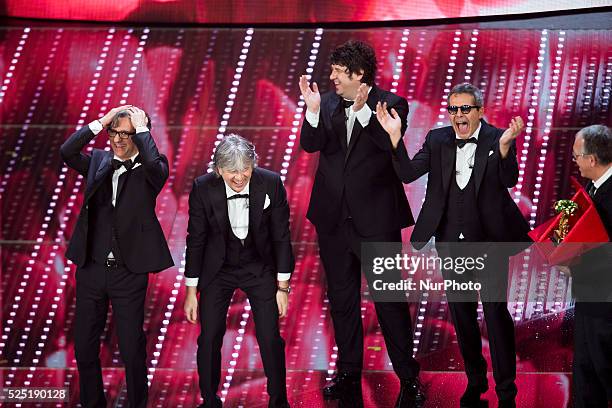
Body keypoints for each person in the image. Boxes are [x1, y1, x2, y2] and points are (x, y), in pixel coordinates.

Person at [376, 83, 531, 408]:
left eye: (465, 109)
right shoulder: (438, 139)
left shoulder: (497, 137)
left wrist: (504, 149)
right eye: (454, 109)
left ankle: (506, 391)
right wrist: (394, 138)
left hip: (489, 244)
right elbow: (407, 173)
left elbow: (509, 180)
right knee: (462, 315)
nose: (459, 115)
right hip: (450, 244)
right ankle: (475, 381)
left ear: (479, 111)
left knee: (494, 313)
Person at [299, 40, 424, 407]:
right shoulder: (329, 104)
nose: (333, 77)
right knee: (342, 301)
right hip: (333, 222)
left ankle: (408, 377)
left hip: (376, 223)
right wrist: (312, 111)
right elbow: (311, 144)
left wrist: (366, 114)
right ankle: (349, 373)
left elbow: (390, 149)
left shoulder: (393, 104)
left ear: (358, 74)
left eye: (339, 71)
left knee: (389, 300)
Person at [60, 106, 174, 408]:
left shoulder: (154, 168)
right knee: (84, 347)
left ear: (138, 134)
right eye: (115, 132)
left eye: (127, 133)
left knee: (132, 348)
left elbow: (153, 162)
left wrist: (142, 128)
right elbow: (67, 151)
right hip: (92, 269)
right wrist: (101, 122)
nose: (119, 139)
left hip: (129, 271)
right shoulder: (98, 160)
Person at [183, 134, 294, 408]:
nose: (239, 176)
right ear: (218, 169)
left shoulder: (270, 183)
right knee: (209, 337)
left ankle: (279, 401)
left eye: (245, 169)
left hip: (258, 265)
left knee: (270, 337)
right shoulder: (202, 188)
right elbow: (195, 240)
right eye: (231, 171)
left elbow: (281, 236)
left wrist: (282, 287)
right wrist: (190, 290)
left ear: (253, 165)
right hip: (217, 269)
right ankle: (209, 401)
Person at [568, 124, 612, 407]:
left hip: (606, 305)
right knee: (585, 374)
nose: (575, 161)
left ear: (591, 159)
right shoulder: (592, 187)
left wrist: (573, 265)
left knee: (605, 372)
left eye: (576, 156)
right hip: (587, 299)